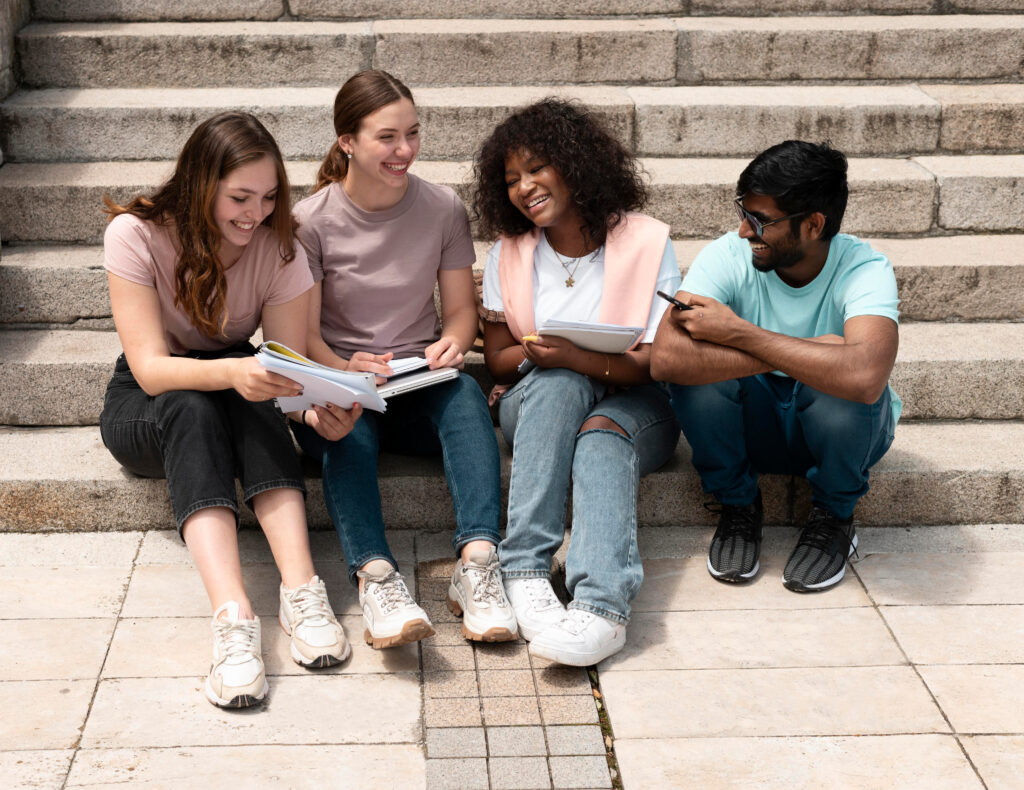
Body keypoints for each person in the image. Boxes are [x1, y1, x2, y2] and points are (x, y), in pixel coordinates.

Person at [99, 112, 355, 709]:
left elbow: (286, 367)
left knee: (245, 387)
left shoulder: (280, 245)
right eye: (240, 197)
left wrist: (311, 414)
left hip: (239, 385)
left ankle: (300, 590)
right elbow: (151, 369)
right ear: (200, 185)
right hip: (148, 401)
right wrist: (236, 372)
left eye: (268, 197)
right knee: (196, 397)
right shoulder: (136, 235)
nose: (255, 213)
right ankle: (234, 618)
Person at [291, 70, 516, 649]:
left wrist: (454, 343)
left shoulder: (441, 208)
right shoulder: (309, 221)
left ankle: (479, 563)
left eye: (412, 133)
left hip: (417, 382)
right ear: (347, 141)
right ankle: (377, 578)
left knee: (465, 393)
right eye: (387, 137)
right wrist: (342, 367)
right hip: (344, 384)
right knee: (349, 429)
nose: (405, 150)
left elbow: (461, 311)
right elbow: (303, 335)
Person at [473, 99, 681, 666]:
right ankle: (525, 568)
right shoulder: (509, 253)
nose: (524, 186)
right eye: (512, 178)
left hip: (637, 406)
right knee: (562, 386)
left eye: (537, 168)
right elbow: (495, 359)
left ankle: (601, 611)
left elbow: (652, 363)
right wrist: (554, 359)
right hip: (539, 403)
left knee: (601, 434)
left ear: (575, 163)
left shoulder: (646, 242)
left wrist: (573, 355)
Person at [650, 140, 900, 593]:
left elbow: (865, 377)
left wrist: (739, 333)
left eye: (760, 220)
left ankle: (834, 518)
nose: (745, 231)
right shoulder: (727, 255)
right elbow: (666, 358)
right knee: (697, 381)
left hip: (840, 435)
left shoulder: (865, 268)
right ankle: (738, 506)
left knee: (841, 389)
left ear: (813, 224)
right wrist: (818, 352)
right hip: (755, 425)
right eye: (743, 213)